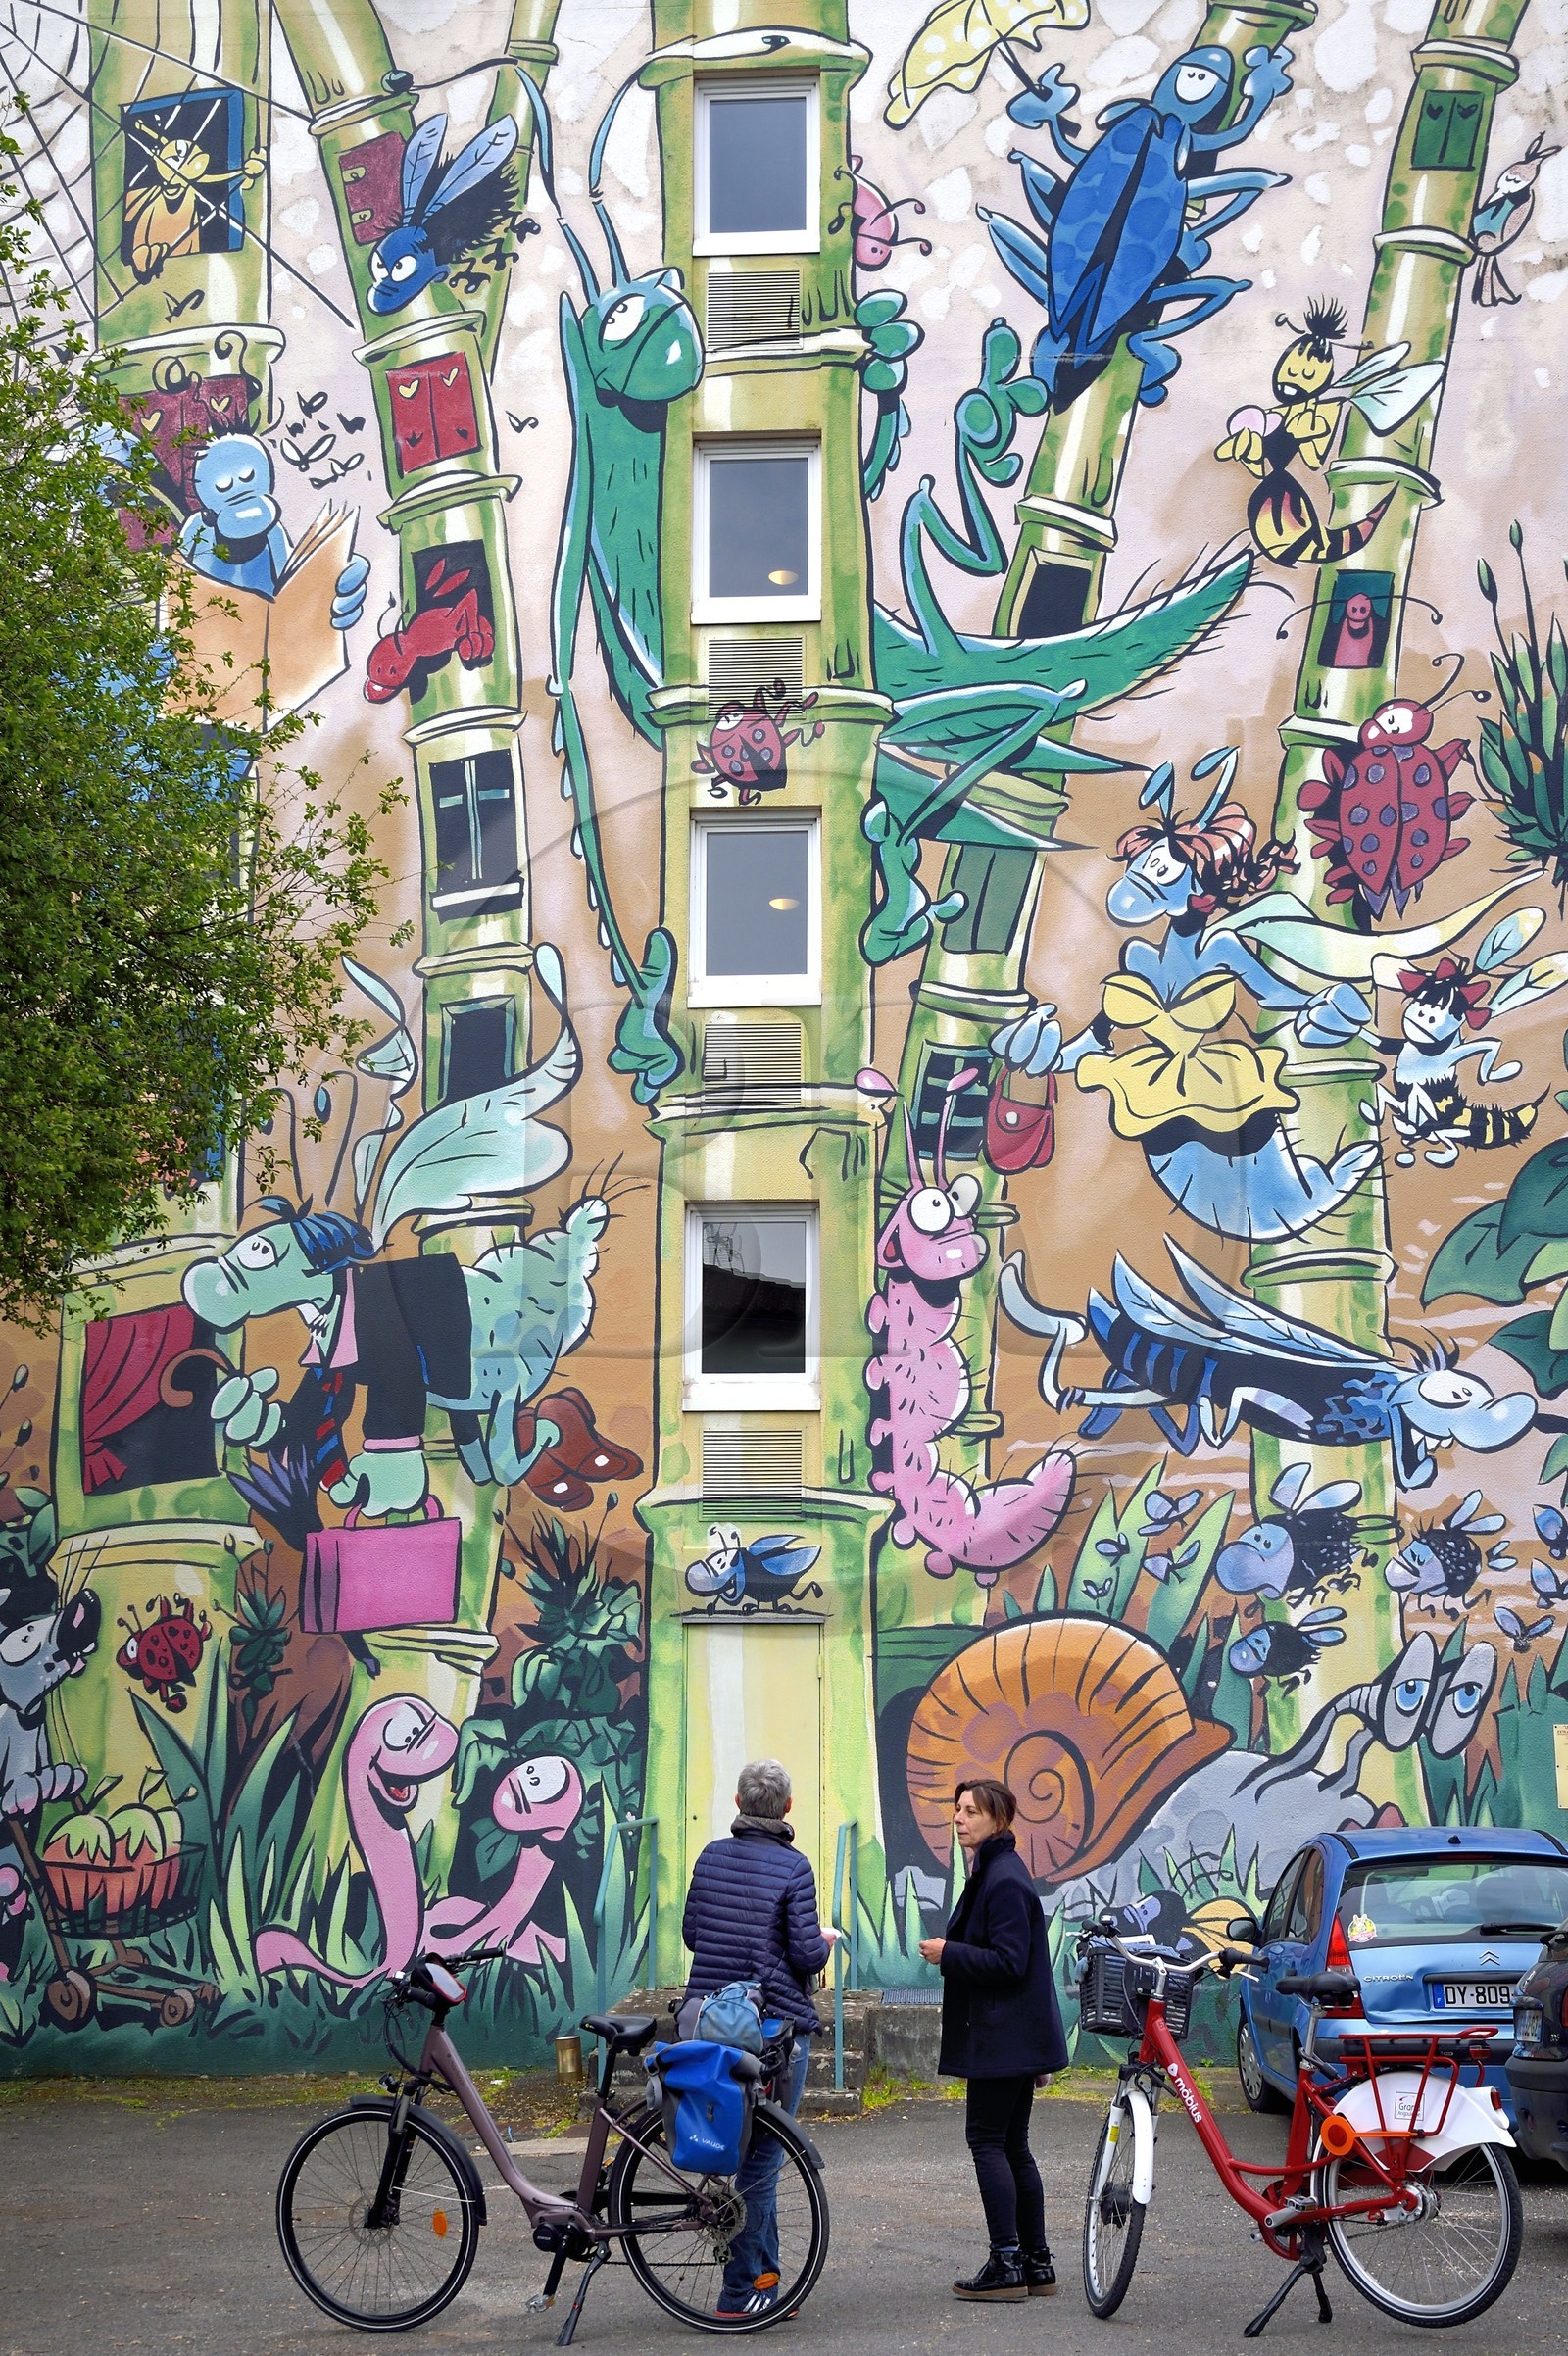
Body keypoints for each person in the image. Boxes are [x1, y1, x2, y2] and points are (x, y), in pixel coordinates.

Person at [681, 1757, 837, 2318]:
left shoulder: (710, 1857)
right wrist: (824, 1942)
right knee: (764, 2158)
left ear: (739, 1805)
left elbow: (693, 1932)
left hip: (712, 2025)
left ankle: (766, 2280)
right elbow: (803, 1953)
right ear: (787, 1808)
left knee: (745, 2153)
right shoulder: (794, 1868)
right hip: (773, 2029)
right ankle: (739, 2291)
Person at [919, 1776, 1067, 2302]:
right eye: (957, 1809)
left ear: (998, 1821)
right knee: (1013, 2145)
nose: (959, 1818)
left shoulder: (1003, 1878)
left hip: (1002, 2040)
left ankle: (1008, 2263)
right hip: (1010, 2038)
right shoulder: (994, 1871)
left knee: (989, 2142)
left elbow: (1010, 1962)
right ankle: (1037, 2262)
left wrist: (947, 1952)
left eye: (971, 1811)